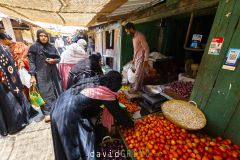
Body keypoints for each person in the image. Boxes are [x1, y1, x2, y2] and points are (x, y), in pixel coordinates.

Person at [51, 71, 134, 160]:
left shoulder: (98, 80)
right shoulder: (105, 93)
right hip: (64, 114)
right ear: (113, 87)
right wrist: (130, 123)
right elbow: (119, 114)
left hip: (60, 103)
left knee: (66, 145)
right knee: (73, 147)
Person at [28, 29, 63, 122]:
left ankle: (57, 108)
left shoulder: (51, 47)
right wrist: (32, 76)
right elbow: (31, 62)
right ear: (38, 37)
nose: (43, 37)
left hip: (53, 73)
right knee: (45, 92)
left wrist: (53, 60)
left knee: (56, 89)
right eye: (41, 36)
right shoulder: (33, 48)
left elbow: (58, 58)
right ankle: (47, 113)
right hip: (41, 74)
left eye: (45, 36)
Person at [0, 44, 30, 136]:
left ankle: (15, 125)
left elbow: (8, 64)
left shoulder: (2, 48)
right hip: (5, 81)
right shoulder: (3, 48)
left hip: (6, 81)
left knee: (10, 102)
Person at [124, 22, 150, 94]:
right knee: (139, 74)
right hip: (137, 58)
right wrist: (133, 59)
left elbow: (146, 48)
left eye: (127, 31)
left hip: (142, 58)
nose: (127, 33)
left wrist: (146, 59)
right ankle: (137, 87)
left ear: (131, 29)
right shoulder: (134, 36)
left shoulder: (140, 36)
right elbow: (136, 49)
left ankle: (136, 89)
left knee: (138, 74)